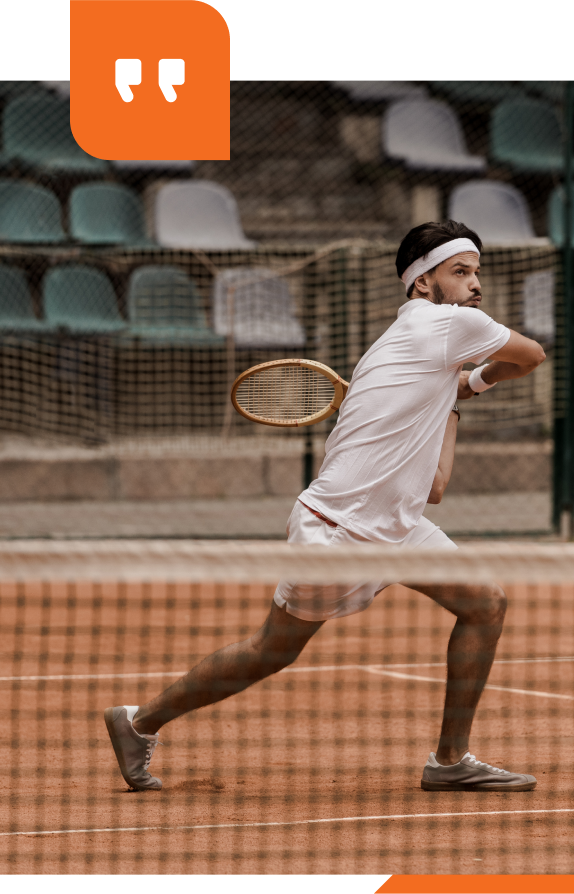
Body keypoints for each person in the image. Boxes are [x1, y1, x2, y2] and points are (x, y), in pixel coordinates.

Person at [104, 220, 546, 792]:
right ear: (422, 285)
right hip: (340, 530)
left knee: (485, 603)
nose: (475, 285)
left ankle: (450, 760)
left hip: (398, 526)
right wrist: (477, 380)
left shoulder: (403, 351)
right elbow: (531, 355)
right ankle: (139, 722)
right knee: (271, 650)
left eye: (477, 273)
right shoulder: (448, 324)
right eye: (460, 272)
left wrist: (457, 396)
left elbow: (434, 488)